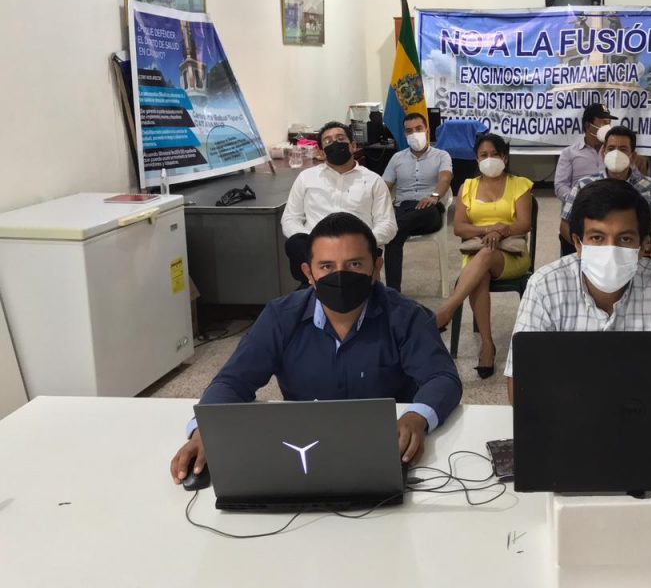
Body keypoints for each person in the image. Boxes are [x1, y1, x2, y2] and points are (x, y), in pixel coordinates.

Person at [170, 212, 462, 484]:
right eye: (327, 266)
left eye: (354, 264)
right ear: (309, 273)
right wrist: (205, 430)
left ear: (376, 267)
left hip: (385, 452)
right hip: (302, 452)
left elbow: (441, 378)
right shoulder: (280, 317)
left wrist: (416, 417)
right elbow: (233, 381)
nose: (341, 275)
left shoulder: (406, 316)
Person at [505, 179, 651, 403]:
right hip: (568, 422)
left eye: (625, 239)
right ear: (578, 244)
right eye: (597, 238)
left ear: (643, 245)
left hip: (647, 421)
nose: (610, 250)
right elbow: (521, 383)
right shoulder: (545, 286)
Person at [433, 134, 533, 379]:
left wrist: (502, 231)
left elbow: (524, 223)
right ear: (476, 159)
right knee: (480, 271)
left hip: (511, 255)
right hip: (476, 253)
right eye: (483, 155)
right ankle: (487, 345)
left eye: (494, 155)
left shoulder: (520, 184)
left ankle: (446, 310)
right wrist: (489, 230)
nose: (489, 160)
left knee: (486, 256)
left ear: (505, 157)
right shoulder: (467, 187)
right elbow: (459, 228)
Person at [281, 121, 397, 285]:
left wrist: (362, 241)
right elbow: (290, 218)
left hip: (358, 250)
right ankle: (314, 289)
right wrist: (313, 242)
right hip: (315, 250)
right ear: (321, 152)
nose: (334, 143)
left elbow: (388, 224)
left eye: (340, 139)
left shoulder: (373, 181)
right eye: (328, 141)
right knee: (294, 244)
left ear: (353, 146)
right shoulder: (306, 178)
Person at [559, 125, 651, 262]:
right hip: (593, 255)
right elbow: (565, 225)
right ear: (603, 153)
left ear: (632, 156)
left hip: (634, 256)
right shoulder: (584, 185)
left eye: (623, 149)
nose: (616, 154)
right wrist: (584, 249)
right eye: (611, 148)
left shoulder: (650, 187)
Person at [381, 112, 453, 292]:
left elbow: (445, 179)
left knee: (393, 230)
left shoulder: (441, 155)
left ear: (427, 130)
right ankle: (393, 292)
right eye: (409, 131)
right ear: (405, 134)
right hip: (402, 209)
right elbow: (383, 186)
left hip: (429, 209)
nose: (414, 133)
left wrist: (434, 196)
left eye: (418, 129)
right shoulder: (397, 158)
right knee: (394, 235)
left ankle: (389, 230)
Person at [554, 103, 616, 256]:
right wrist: (579, 201)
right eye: (603, 122)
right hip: (578, 213)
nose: (607, 126)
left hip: (610, 211)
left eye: (609, 123)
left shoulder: (615, 152)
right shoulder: (569, 153)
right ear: (588, 126)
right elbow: (560, 185)